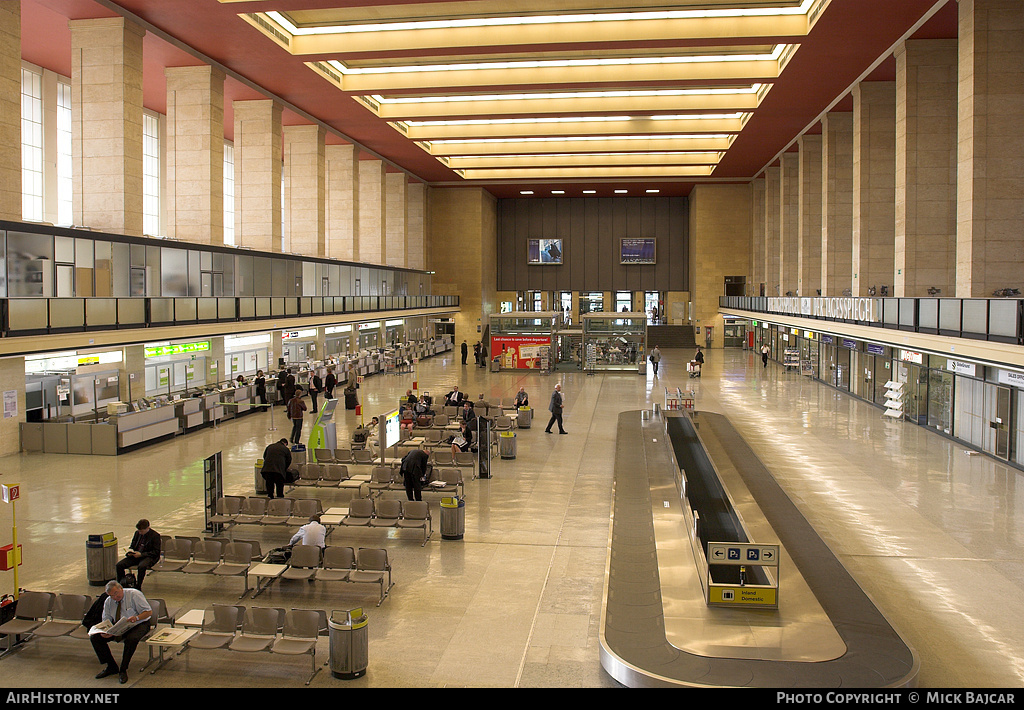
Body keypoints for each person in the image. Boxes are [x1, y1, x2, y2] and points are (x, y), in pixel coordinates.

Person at [89, 580, 152, 684]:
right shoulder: (108, 601)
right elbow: (106, 619)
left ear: (121, 589)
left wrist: (136, 618)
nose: (114, 597)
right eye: (111, 595)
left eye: (116, 593)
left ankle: (123, 669)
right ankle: (111, 666)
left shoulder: (134, 594)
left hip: (138, 623)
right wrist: (107, 630)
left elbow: (148, 612)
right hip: (119, 625)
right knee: (95, 638)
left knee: (131, 639)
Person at [115, 519, 160, 590]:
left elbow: (156, 552)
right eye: (139, 531)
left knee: (142, 566)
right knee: (119, 565)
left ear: (147, 528)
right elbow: (133, 545)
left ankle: (138, 586)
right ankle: (121, 584)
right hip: (136, 555)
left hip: (148, 556)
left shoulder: (155, 536)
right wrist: (130, 551)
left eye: (141, 531)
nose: (140, 533)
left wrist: (141, 554)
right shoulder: (137, 533)